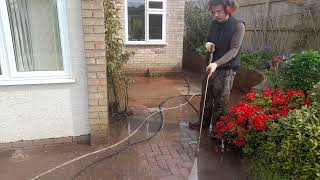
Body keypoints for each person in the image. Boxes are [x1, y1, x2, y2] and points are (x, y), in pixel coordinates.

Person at [189, 0, 245, 133]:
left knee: (220, 103)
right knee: (206, 98)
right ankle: (203, 123)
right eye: (213, 12)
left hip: (226, 70)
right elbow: (209, 39)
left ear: (229, 9)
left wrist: (216, 64)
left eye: (219, 11)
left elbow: (234, 51)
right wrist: (208, 45)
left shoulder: (238, 26)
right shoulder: (213, 24)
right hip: (210, 67)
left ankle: (216, 133)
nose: (215, 15)